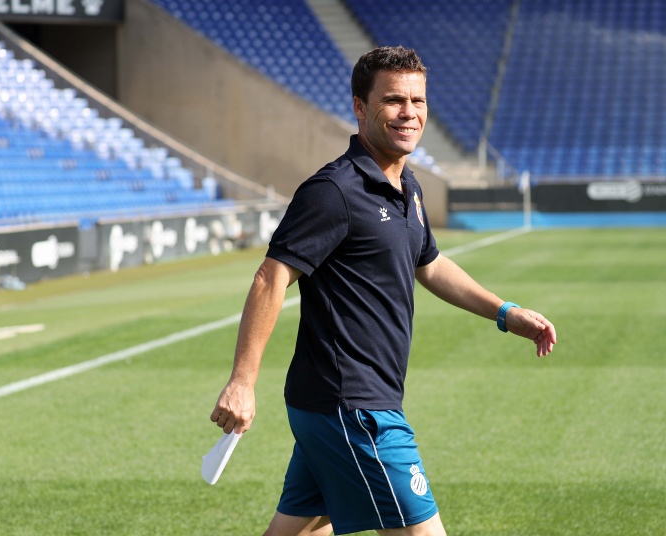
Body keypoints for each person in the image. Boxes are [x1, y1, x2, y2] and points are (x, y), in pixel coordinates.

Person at [210, 46, 557, 536]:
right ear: (359, 107)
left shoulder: (406, 185)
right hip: (353, 405)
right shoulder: (334, 190)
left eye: (418, 100)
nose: (409, 112)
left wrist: (505, 312)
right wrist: (243, 381)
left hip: (343, 403)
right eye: (394, 100)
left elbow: (430, 265)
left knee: (300, 530)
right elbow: (271, 277)